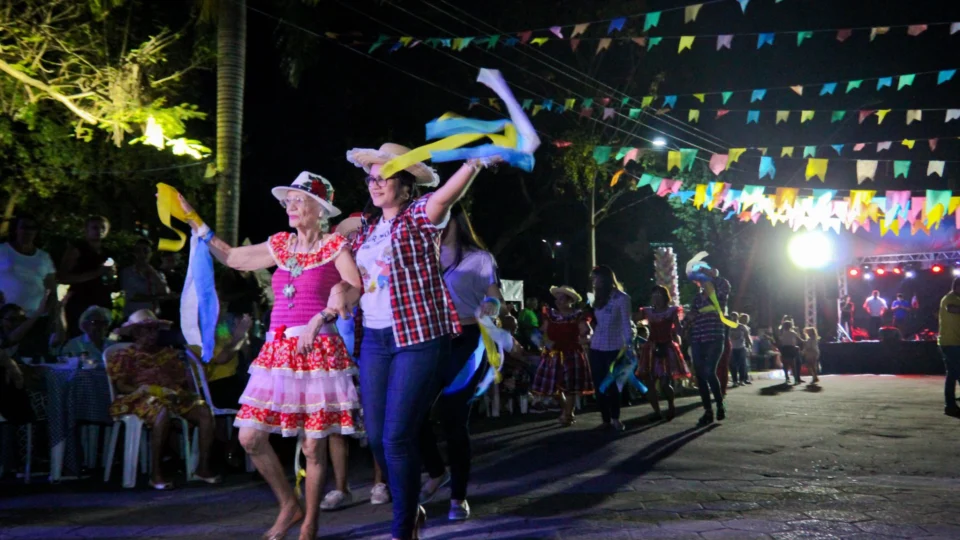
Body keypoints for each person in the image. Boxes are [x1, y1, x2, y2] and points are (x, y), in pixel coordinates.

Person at [179, 171, 362, 540]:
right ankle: (288, 505)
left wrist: (325, 313)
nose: (290, 207)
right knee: (249, 437)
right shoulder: (279, 245)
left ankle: (310, 522)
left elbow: (354, 287)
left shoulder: (334, 247)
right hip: (278, 351)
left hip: (319, 349)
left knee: (313, 445)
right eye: (288, 201)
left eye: (298, 200)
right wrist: (197, 223)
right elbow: (231, 257)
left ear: (319, 209)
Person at [346, 142, 490, 540]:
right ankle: (413, 507)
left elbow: (447, 195)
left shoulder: (419, 217)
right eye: (371, 177)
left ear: (407, 186)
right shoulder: (365, 232)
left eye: (385, 177)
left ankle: (403, 528)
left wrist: (473, 164)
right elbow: (353, 282)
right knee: (376, 438)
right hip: (374, 340)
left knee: (396, 437)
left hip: (418, 337)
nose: (375, 184)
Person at [418, 204, 503, 521]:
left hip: (467, 339)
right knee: (413, 412)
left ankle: (458, 497)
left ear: (455, 219)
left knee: (453, 417)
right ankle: (437, 470)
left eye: (441, 215)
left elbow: (494, 295)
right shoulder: (424, 254)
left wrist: (491, 306)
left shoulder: (478, 258)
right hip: (429, 340)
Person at [106, 309, 220, 489]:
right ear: (135, 333)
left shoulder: (168, 354)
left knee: (204, 410)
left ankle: (202, 468)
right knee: (161, 411)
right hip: (138, 398)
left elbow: (182, 382)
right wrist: (146, 389)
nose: (151, 334)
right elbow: (121, 386)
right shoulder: (125, 355)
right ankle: (156, 473)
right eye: (146, 330)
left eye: (154, 329)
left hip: (171, 396)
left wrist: (180, 388)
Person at [531, 286, 593, 426]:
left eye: (562, 298)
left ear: (570, 300)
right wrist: (543, 342)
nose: (558, 301)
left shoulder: (578, 315)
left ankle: (568, 414)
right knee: (553, 387)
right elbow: (540, 332)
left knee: (570, 386)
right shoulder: (551, 315)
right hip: (553, 354)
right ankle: (567, 410)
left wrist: (584, 339)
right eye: (557, 298)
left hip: (572, 353)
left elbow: (587, 333)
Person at [587, 266, 633, 432]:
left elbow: (626, 324)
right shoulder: (596, 298)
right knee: (599, 384)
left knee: (613, 384)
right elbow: (595, 322)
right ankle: (605, 418)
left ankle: (615, 418)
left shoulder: (622, 298)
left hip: (615, 346)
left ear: (605, 279)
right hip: (596, 345)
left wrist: (629, 346)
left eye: (596, 278)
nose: (593, 282)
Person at [635, 285, 689, 421]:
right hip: (651, 348)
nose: (656, 297)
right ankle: (657, 412)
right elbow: (633, 319)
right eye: (654, 295)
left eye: (659, 295)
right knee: (650, 382)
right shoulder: (647, 311)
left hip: (667, 347)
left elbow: (678, 329)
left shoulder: (671, 311)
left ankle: (671, 405)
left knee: (665, 383)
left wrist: (683, 334)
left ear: (665, 297)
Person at [59, 216, 115, 337]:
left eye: (103, 228)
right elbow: (62, 277)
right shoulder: (76, 250)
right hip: (81, 301)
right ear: (86, 230)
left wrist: (111, 276)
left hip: (102, 300)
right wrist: (97, 273)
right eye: (95, 227)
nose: (99, 230)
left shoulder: (107, 252)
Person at [120, 238, 171, 317]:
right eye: (138, 251)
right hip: (134, 316)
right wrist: (157, 298)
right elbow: (132, 296)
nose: (142, 255)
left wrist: (153, 273)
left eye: (146, 251)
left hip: (154, 317)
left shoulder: (158, 273)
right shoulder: (127, 273)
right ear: (134, 253)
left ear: (151, 253)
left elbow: (164, 292)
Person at [938, 278, 960, 417]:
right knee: (955, 373)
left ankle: (950, 405)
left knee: (952, 374)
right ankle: (950, 405)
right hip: (950, 342)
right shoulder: (949, 298)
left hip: (955, 342)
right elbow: (951, 309)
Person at [777, 320, 805, 385]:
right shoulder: (793, 332)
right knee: (793, 364)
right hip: (792, 348)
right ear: (791, 326)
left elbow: (780, 341)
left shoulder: (782, 333)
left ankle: (787, 377)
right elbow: (800, 340)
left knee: (785, 364)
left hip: (784, 348)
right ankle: (795, 379)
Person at [728, 312, 751, 387]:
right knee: (732, 365)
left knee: (742, 365)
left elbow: (747, 336)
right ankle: (735, 380)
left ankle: (741, 380)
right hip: (732, 348)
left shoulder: (742, 326)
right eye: (732, 317)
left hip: (741, 347)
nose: (734, 319)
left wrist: (750, 345)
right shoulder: (728, 326)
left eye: (735, 317)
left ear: (738, 318)